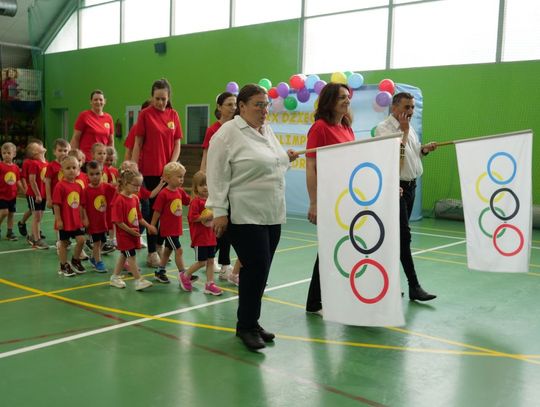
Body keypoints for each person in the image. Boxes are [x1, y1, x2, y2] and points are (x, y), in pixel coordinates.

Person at [206, 83, 298, 350]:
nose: (264, 110)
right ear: (242, 107)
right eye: (258, 105)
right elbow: (217, 175)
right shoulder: (227, 134)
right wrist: (219, 213)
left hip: (271, 212)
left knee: (260, 270)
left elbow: (274, 162)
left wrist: (285, 158)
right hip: (243, 214)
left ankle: (251, 321)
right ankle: (245, 326)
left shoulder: (266, 130)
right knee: (256, 267)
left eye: (266, 105)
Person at [375, 92, 437, 301]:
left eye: (412, 107)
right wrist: (403, 133)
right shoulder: (384, 129)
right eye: (406, 107)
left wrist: (423, 150)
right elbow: (390, 157)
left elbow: (410, 153)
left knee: (395, 238)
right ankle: (414, 286)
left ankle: (387, 284)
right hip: (395, 188)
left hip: (411, 187)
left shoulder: (409, 129)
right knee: (404, 236)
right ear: (394, 108)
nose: (410, 111)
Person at [304, 82, 355, 316]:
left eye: (348, 97)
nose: (347, 101)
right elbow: (311, 165)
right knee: (328, 248)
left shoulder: (347, 127)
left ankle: (338, 295)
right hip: (329, 197)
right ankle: (315, 303)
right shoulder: (319, 128)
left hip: (348, 196)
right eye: (341, 97)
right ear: (330, 101)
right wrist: (314, 202)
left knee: (344, 246)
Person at [132, 79, 182, 268]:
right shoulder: (145, 115)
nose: (160, 102)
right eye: (157, 99)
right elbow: (138, 143)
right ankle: (152, 251)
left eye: (164, 99)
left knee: (166, 215)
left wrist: (172, 165)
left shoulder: (174, 115)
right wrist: (134, 168)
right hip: (148, 173)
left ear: (169, 98)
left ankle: (160, 246)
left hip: (166, 174)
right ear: (152, 97)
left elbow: (177, 143)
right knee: (153, 214)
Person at [200, 91, 238, 280]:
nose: (233, 108)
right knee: (215, 223)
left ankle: (225, 265)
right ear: (220, 107)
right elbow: (207, 156)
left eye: (235, 104)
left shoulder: (237, 127)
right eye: (229, 104)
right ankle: (210, 257)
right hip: (217, 183)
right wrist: (203, 178)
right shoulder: (213, 129)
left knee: (228, 226)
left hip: (233, 184)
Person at [109, 168, 156, 290]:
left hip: (133, 234)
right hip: (125, 235)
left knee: (124, 255)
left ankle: (115, 277)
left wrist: (148, 226)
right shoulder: (119, 200)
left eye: (140, 185)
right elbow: (118, 222)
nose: (138, 188)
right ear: (125, 184)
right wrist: (130, 231)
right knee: (132, 256)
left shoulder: (135, 198)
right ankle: (138, 280)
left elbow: (139, 217)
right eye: (135, 185)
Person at [180, 170, 222, 296]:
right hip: (200, 238)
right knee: (202, 261)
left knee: (210, 261)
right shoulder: (196, 202)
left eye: (207, 184)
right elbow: (192, 217)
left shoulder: (211, 202)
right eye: (202, 185)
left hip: (211, 237)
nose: (205, 187)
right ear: (196, 188)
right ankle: (185, 275)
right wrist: (206, 217)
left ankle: (210, 284)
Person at [150, 162, 191, 284]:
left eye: (182, 176)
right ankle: (184, 274)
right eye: (178, 176)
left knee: (168, 250)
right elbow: (157, 211)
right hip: (168, 229)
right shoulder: (163, 194)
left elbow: (188, 202)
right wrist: (152, 225)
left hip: (176, 228)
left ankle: (160, 271)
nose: (181, 179)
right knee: (179, 250)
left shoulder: (180, 191)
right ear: (167, 178)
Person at [52, 156, 88, 276]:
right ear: (62, 171)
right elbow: (56, 205)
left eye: (74, 167)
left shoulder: (78, 186)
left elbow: (82, 205)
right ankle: (63, 265)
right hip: (65, 220)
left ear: (78, 170)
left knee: (81, 240)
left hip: (76, 221)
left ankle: (75, 260)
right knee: (64, 243)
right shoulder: (60, 186)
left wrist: (84, 218)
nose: (71, 170)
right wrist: (58, 219)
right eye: (68, 168)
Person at [82, 160, 117, 273]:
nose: (95, 177)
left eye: (97, 173)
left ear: (102, 173)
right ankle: (98, 261)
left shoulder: (106, 187)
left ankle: (93, 257)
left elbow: (117, 191)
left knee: (103, 241)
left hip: (103, 222)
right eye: (92, 174)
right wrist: (85, 219)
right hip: (93, 223)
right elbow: (82, 207)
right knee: (96, 243)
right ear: (87, 175)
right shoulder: (86, 190)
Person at [70, 90, 114, 162]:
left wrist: (110, 158)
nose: (98, 102)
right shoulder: (84, 115)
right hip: (87, 160)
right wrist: (74, 158)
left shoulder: (108, 118)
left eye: (100, 100)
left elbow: (111, 142)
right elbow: (75, 138)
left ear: (105, 101)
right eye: (95, 100)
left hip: (102, 160)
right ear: (91, 102)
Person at [23, 141, 48, 249]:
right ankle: (37, 240)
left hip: (43, 195)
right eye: (38, 146)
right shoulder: (34, 163)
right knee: (36, 216)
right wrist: (37, 194)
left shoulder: (46, 163)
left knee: (40, 216)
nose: (41, 146)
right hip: (34, 195)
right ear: (34, 152)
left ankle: (33, 235)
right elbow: (32, 181)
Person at [0, 142, 24, 241]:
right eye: (4, 153)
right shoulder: (0, 166)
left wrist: (23, 190)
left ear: (14, 154)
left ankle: (9, 232)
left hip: (12, 195)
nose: (6, 155)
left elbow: (17, 180)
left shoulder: (16, 167)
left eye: (8, 153)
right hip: (1, 195)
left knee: (11, 214)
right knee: (4, 212)